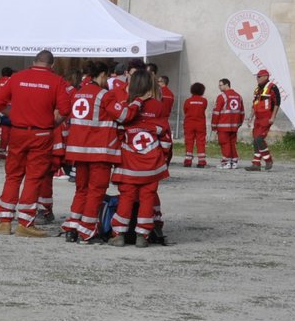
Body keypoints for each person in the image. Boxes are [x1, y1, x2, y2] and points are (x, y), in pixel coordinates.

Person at [0, 50, 63, 237]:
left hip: (18, 132)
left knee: (13, 175)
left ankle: (4, 221)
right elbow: (66, 109)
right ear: (51, 66)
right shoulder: (57, 81)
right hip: (42, 134)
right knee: (34, 177)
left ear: (34, 61)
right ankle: (25, 222)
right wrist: (51, 124)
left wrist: (14, 115)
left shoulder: (17, 77)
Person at [59, 61, 124, 243]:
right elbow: (123, 116)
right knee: (96, 190)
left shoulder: (78, 92)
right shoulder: (105, 95)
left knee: (81, 190)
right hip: (99, 151)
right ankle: (87, 230)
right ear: (102, 74)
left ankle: (73, 225)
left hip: (78, 151)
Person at [110, 69, 170, 247]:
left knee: (126, 197)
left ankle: (119, 234)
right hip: (151, 160)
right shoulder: (159, 106)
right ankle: (142, 236)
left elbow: (117, 133)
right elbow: (165, 136)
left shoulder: (126, 105)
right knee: (148, 197)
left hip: (129, 160)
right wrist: (163, 157)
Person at [247, 69, 281, 171]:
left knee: (259, 139)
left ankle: (268, 159)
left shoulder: (272, 87)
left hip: (267, 117)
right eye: (257, 76)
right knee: (255, 140)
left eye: (259, 76)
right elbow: (254, 104)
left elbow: (277, 103)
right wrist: (250, 117)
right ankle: (256, 164)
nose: (257, 78)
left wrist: (273, 117)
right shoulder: (257, 89)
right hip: (258, 117)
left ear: (266, 77)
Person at [212, 78, 245, 169]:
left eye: (221, 85)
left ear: (227, 85)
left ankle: (226, 162)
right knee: (232, 143)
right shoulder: (239, 96)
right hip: (234, 126)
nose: (219, 87)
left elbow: (216, 112)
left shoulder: (222, 96)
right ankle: (234, 162)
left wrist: (214, 125)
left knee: (224, 143)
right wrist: (239, 124)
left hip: (223, 125)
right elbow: (242, 112)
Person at [182, 81, 209, 168]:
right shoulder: (204, 101)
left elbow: (185, 111)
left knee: (189, 141)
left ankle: (188, 160)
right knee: (201, 142)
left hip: (189, 124)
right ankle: (201, 161)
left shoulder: (188, 101)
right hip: (200, 124)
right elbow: (204, 109)